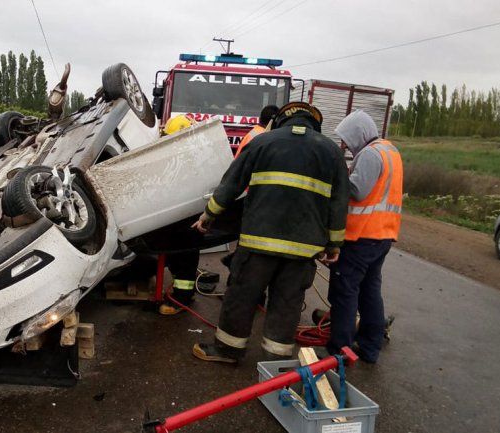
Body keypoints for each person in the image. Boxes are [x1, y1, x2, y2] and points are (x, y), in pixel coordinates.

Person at [190, 102, 349, 363]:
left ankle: (228, 351)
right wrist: (334, 244)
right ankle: (275, 362)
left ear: (280, 120)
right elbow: (339, 203)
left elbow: (231, 184)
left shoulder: (263, 142)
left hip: (258, 245)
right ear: (314, 124)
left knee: (242, 295)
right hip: (302, 250)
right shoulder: (331, 153)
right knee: (287, 303)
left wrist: (208, 216)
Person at [326, 110, 403, 364]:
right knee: (369, 292)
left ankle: (340, 352)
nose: (345, 144)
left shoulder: (370, 154)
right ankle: (370, 348)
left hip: (361, 237)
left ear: (359, 134)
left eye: (347, 139)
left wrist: (336, 178)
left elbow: (358, 190)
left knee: (345, 292)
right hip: (382, 236)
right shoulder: (389, 151)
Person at [157, 115, 216, 315]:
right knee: (179, 258)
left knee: (185, 259)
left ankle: (181, 300)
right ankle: (181, 291)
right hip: (180, 217)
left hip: (189, 219)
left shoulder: (192, 158)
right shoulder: (192, 155)